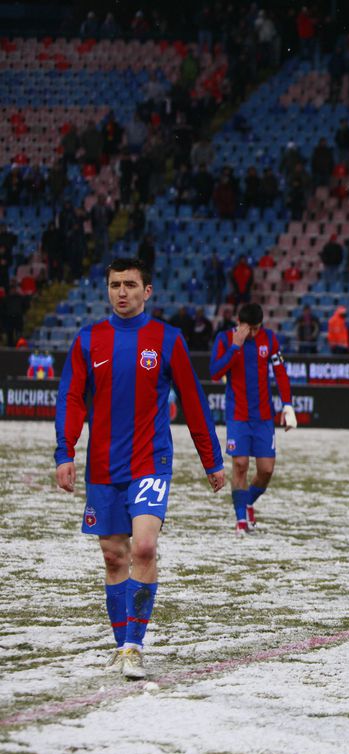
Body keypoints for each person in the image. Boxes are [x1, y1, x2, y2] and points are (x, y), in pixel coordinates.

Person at [54, 257, 225, 680]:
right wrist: (65, 452)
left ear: (148, 291)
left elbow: (193, 400)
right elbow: (71, 399)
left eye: (130, 284)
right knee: (114, 558)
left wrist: (212, 459)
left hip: (151, 462)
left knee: (144, 548)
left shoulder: (167, 339)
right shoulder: (88, 340)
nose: (122, 293)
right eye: (115, 285)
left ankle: (135, 645)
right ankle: (121, 645)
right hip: (101, 466)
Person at [210, 302, 297, 534]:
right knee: (239, 465)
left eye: (258, 328)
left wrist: (288, 405)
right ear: (240, 324)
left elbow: (280, 372)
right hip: (237, 415)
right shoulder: (224, 339)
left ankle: (247, 501)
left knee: (266, 470)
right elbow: (215, 372)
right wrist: (235, 348)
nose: (255, 333)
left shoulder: (269, 339)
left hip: (263, 416)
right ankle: (241, 522)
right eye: (251, 329)